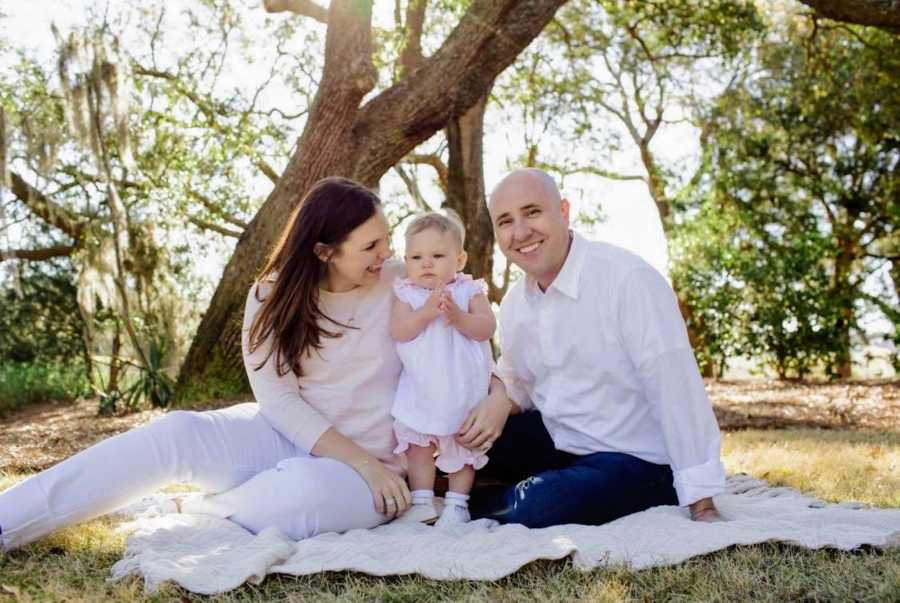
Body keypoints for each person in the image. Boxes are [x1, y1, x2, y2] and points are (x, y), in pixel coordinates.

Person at [0, 177, 512, 550]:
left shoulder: (409, 282)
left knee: (305, 494)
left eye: (386, 240)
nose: (387, 254)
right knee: (175, 432)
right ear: (324, 251)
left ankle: (210, 509)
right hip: (283, 434)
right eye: (371, 245)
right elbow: (278, 398)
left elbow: (469, 347)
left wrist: (495, 396)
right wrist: (354, 459)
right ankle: (7, 522)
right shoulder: (270, 295)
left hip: (377, 467)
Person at [468, 168, 726, 527]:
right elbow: (518, 381)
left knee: (543, 503)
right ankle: (443, 490)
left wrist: (702, 501)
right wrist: (498, 401)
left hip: (634, 458)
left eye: (532, 212)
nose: (521, 232)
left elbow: (676, 390)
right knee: (458, 439)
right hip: (557, 440)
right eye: (505, 221)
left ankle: (465, 504)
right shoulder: (514, 303)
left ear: (564, 211)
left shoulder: (627, 281)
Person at [389, 212, 496, 526]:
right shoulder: (406, 294)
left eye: (437, 256)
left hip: (462, 388)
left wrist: (459, 317)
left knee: (462, 443)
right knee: (418, 445)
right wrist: (425, 312)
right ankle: (422, 500)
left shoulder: (468, 291)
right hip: (421, 385)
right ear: (405, 260)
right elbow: (400, 331)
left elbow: (487, 327)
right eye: (416, 257)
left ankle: (457, 504)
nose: (426, 264)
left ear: (460, 259)